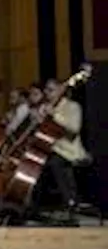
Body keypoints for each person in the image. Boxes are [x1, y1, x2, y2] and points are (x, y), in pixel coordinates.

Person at [38, 77, 89, 215]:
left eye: (51, 90)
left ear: (61, 91)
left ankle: (70, 201)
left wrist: (54, 114)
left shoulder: (73, 107)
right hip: (50, 149)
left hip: (69, 151)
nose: (47, 93)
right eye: (46, 90)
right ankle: (37, 206)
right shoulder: (45, 107)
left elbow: (74, 128)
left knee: (55, 162)